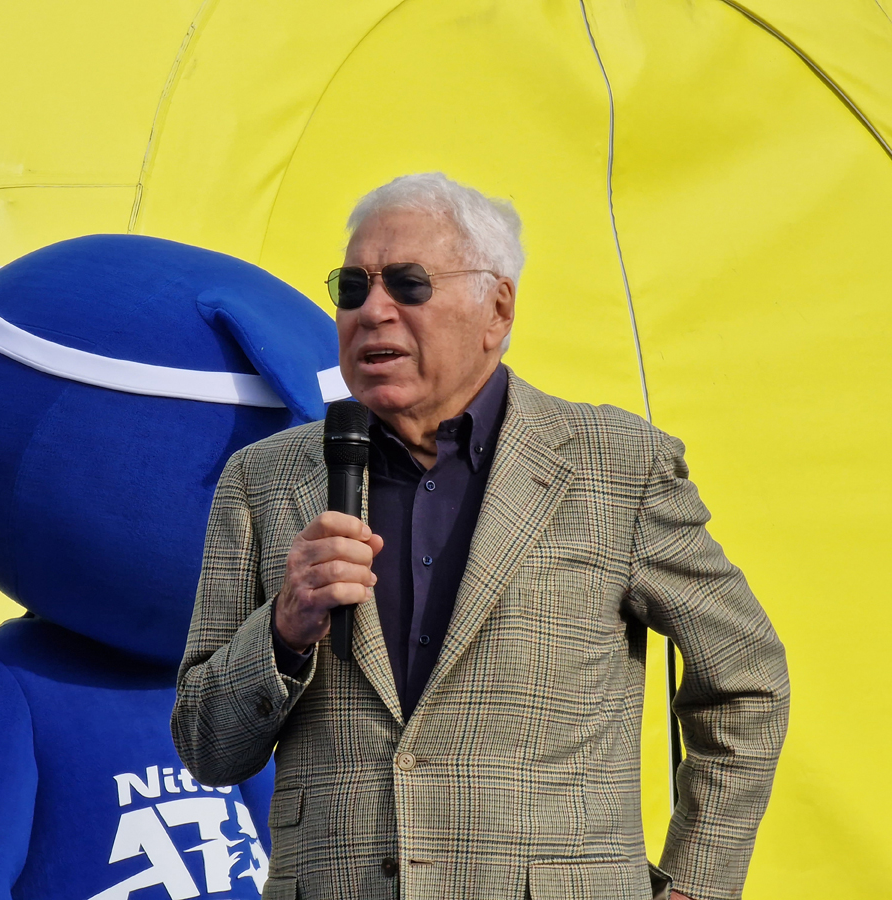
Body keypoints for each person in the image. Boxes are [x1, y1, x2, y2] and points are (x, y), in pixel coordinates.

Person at [172, 173, 789, 900]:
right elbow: (206, 747)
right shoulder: (264, 480)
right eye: (352, 287)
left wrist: (697, 882)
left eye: (408, 284)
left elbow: (746, 679)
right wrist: (282, 631)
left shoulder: (615, 466)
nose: (372, 312)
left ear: (497, 307)